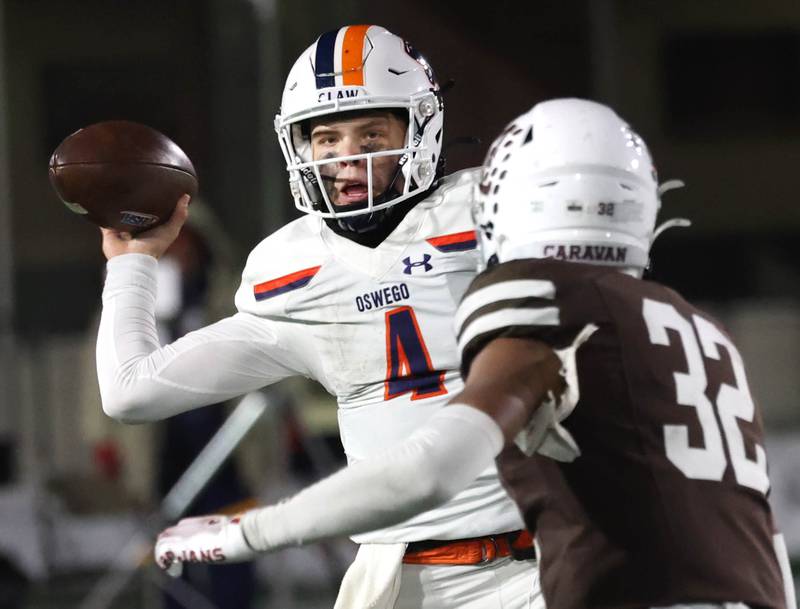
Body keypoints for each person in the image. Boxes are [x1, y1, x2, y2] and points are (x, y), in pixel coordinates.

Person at [155, 99, 796, 609]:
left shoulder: (539, 313)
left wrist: (243, 533)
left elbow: (423, 475)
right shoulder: (699, 331)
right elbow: (756, 528)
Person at [97, 25, 540, 609]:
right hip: (398, 579)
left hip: (543, 560)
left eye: (371, 133)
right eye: (326, 137)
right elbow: (130, 392)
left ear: (421, 129)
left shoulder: (494, 210)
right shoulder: (290, 269)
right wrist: (133, 265)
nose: (347, 157)